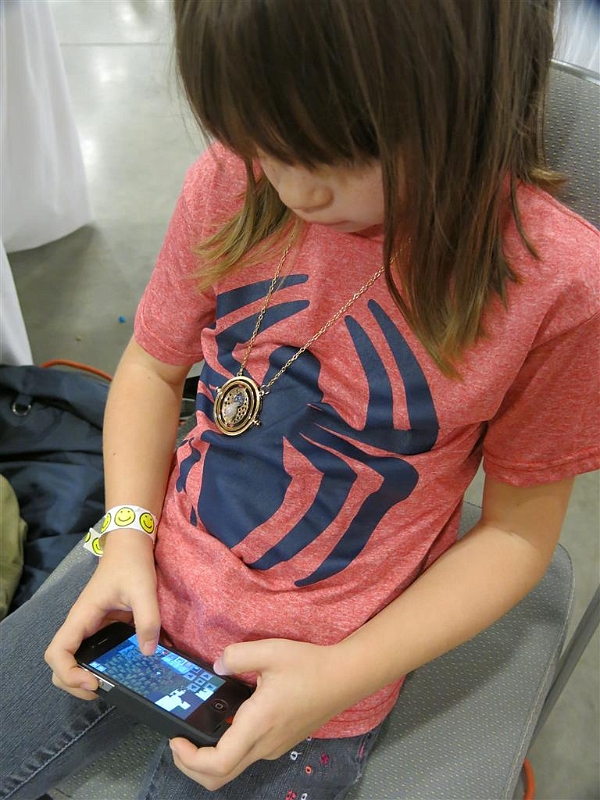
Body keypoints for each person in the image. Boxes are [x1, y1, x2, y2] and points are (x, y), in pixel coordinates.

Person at [1, 0, 599, 798]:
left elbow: (518, 533)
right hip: (143, 575)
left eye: (324, 154)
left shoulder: (557, 286)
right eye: (260, 143)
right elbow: (151, 367)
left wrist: (340, 676)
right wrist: (127, 534)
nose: (289, 188)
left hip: (321, 671)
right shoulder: (233, 178)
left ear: (466, 99)